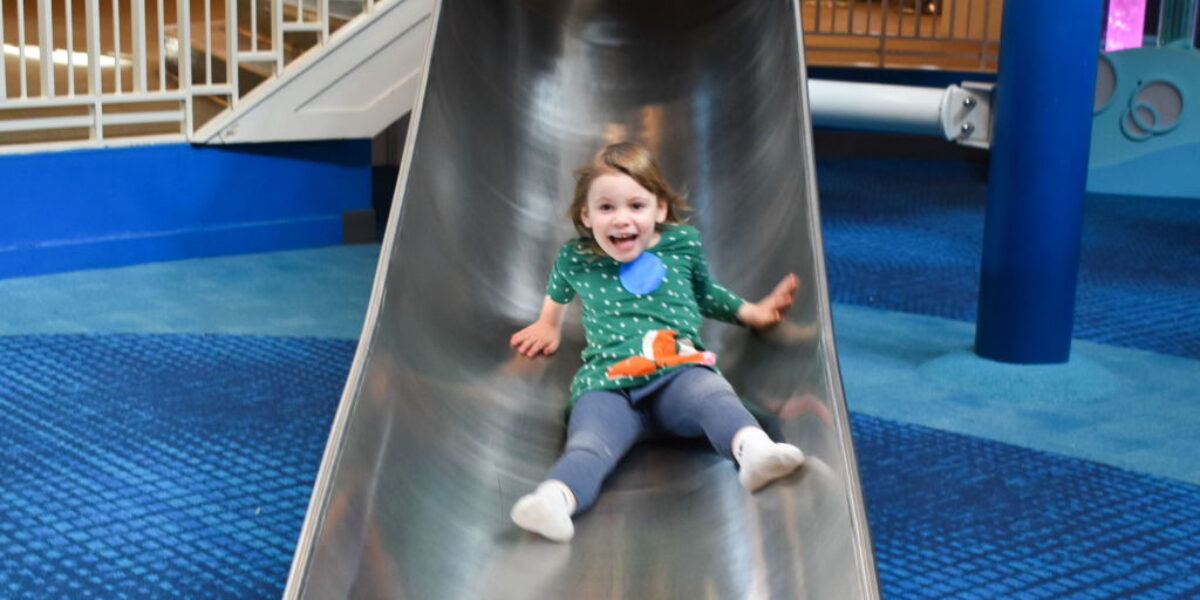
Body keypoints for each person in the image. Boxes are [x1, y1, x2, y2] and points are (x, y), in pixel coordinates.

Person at [509, 141, 805, 542]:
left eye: (636, 205)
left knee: (712, 394)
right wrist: (548, 323)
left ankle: (753, 452)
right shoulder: (578, 257)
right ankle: (555, 501)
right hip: (607, 384)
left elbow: (704, 293)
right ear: (586, 214)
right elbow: (560, 287)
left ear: (659, 209)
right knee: (588, 444)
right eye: (606, 207)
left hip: (676, 372)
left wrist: (751, 312)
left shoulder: (682, 245)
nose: (621, 220)